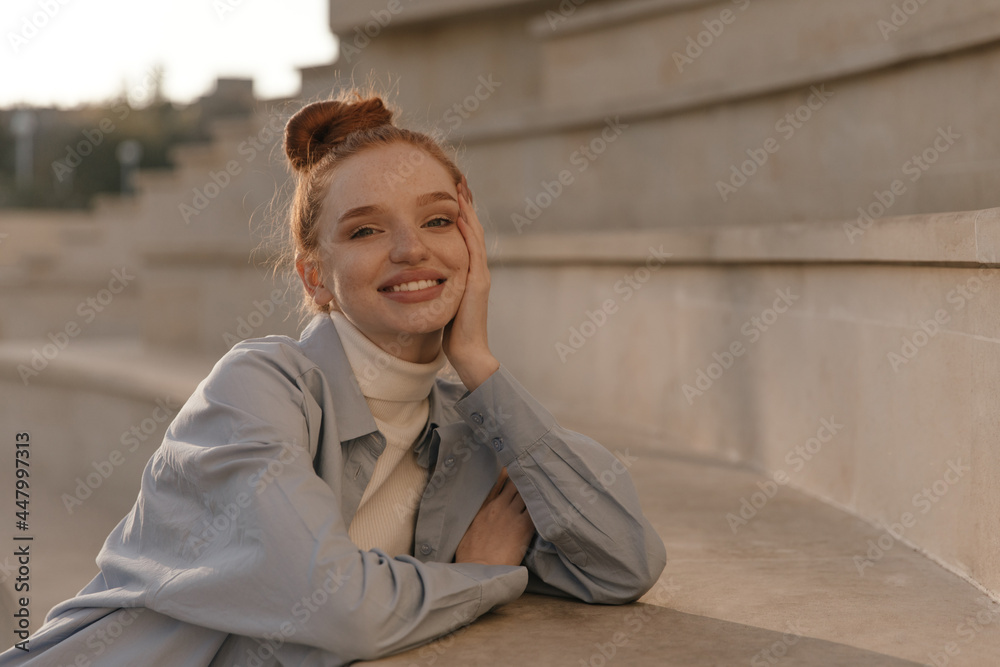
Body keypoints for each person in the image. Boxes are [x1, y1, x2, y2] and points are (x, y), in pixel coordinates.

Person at [0, 89, 666, 666]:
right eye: (367, 229)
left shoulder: (473, 428)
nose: (412, 248)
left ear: (473, 245)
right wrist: (478, 575)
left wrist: (480, 365)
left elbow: (622, 560)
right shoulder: (255, 392)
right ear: (315, 276)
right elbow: (340, 608)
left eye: (438, 220)